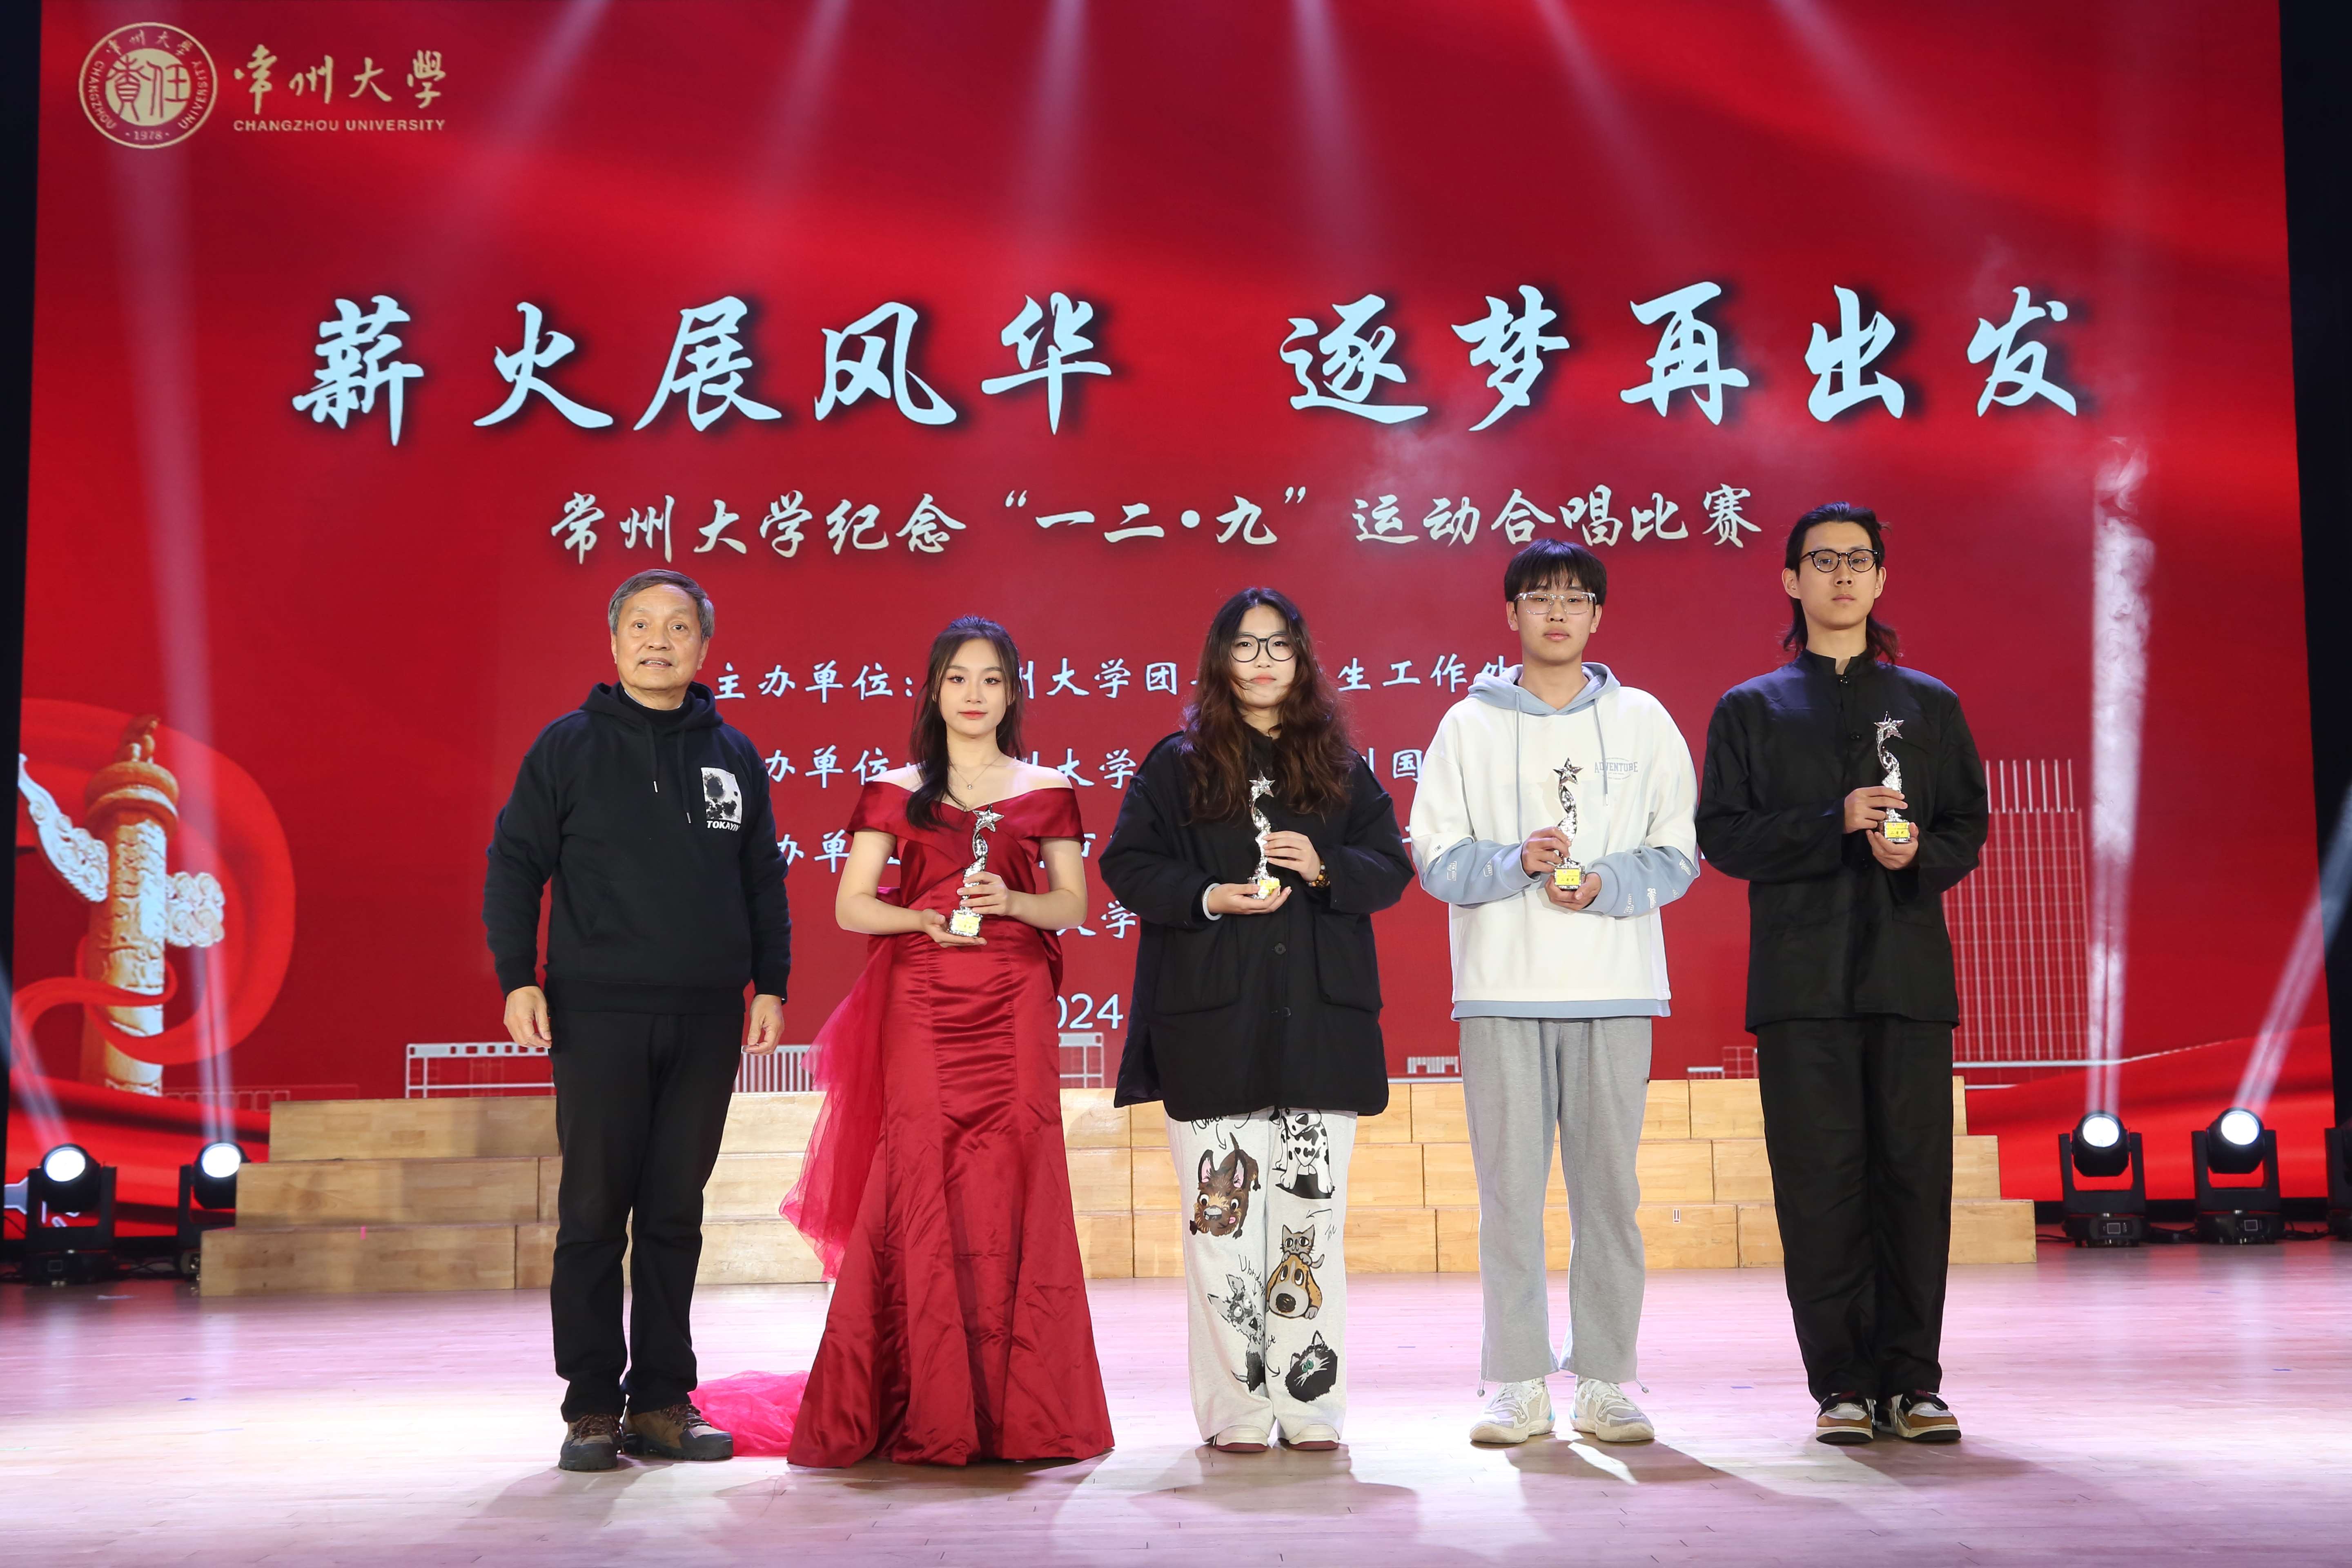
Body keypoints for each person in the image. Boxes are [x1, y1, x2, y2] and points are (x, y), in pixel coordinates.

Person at [779, 615, 1113, 1466]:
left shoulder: (1048, 786)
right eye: (958, 678)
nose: (974, 694)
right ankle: (926, 1399)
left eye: (991, 679)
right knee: (919, 1171)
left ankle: (1024, 1410)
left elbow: (1073, 904)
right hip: (923, 994)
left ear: (1013, 692)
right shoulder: (893, 789)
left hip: (1014, 995)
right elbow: (852, 906)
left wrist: (1013, 904)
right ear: (933, 690)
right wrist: (923, 919)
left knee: (1018, 1170)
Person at [483, 569, 792, 1473]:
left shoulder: (733, 753)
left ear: (704, 646)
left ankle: (660, 1399)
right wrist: (517, 977)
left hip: (706, 1016)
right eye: (643, 626)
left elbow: (761, 878)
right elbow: (515, 864)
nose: (661, 641)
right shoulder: (567, 747)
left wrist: (770, 985)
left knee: (672, 1213)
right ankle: (590, 1405)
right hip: (598, 1013)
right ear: (615, 641)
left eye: (679, 627)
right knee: (592, 1211)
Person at [1695, 503, 1987, 1446]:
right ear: (1792, 581)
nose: (1843, 575)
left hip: (1908, 980)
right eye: (1823, 561)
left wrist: (1918, 853)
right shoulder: (1752, 708)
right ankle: (1843, 1386)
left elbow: (1967, 822)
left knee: (1912, 1182)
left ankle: (1915, 1381)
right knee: (1819, 1186)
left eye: (1859, 560)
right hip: (1802, 985)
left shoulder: (1930, 704)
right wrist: (1836, 821)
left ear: (1882, 577)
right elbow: (1723, 836)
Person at [1101, 587, 1414, 1455]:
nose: (1265, 661)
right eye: (1246, 646)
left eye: (1280, 645)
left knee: (1309, 1230)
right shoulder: (1177, 765)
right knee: (1222, 1233)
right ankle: (1236, 1408)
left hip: (1319, 1029)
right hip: (1212, 1028)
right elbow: (1127, 864)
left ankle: (1310, 1403)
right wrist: (1208, 895)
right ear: (1220, 660)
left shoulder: (1340, 764)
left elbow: (1390, 869)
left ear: (1302, 659)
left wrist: (1324, 866)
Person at [1407, 538, 1698, 1448]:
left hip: (1616, 989)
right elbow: (1435, 857)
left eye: (1575, 598)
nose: (1559, 612)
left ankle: (1606, 1381)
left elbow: (1678, 852)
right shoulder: (1468, 724)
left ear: (1598, 615)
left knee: (1609, 1196)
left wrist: (1604, 882)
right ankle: (1518, 1382)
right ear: (1512, 614)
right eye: (1540, 597)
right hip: (1500, 991)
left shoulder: (1644, 720)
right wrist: (1515, 863)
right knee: (1509, 1199)